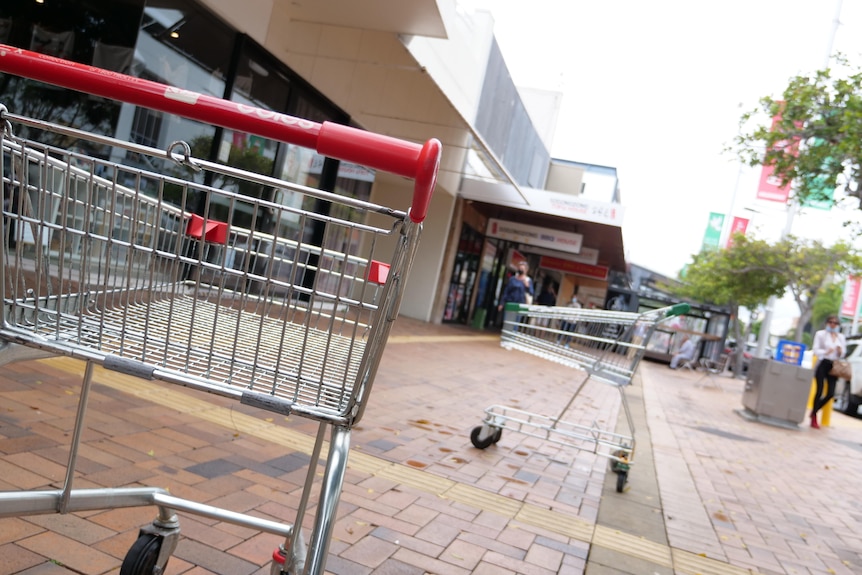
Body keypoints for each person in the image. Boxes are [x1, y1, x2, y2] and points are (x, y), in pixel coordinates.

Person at [810, 315, 846, 429]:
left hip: (833, 366)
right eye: (830, 322)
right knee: (819, 391)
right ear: (827, 323)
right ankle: (814, 417)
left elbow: (844, 353)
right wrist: (826, 351)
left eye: (835, 323)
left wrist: (840, 351)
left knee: (830, 393)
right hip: (822, 363)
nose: (832, 324)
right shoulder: (821, 334)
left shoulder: (841, 337)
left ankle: (814, 411)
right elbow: (815, 349)